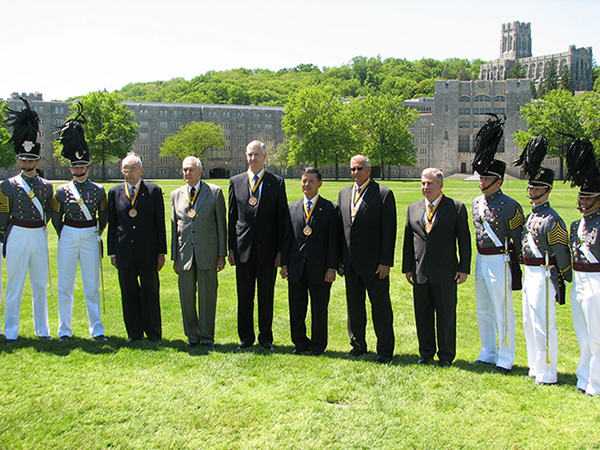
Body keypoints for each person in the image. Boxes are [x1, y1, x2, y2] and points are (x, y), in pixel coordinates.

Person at [515, 136, 572, 385]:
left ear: (548, 190)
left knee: (543, 324)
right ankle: (535, 366)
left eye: (538, 189)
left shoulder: (552, 218)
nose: (533, 192)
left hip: (545, 274)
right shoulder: (532, 215)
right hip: (530, 273)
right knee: (529, 322)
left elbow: (561, 251)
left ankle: (548, 372)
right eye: (531, 188)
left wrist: (563, 276)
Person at [470, 115, 525, 374]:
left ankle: (505, 356)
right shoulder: (476, 203)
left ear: (498, 181)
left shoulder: (511, 206)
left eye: (486, 180)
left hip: (500, 259)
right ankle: (487, 351)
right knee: (483, 309)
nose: (482, 183)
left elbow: (518, 239)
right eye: (481, 179)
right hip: (481, 258)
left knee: (502, 310)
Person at [50, 105, 108, 342]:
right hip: (68, 234)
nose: (79, 169)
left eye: (82, 166)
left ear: (88, 166)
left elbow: (103, 216)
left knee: (92, 285)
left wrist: (96, 231)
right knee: (65, 283)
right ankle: (64, 329)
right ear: (70, 168)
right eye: (75, 166)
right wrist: (65, 232)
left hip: (90, 235)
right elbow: (56, 216)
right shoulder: (62, 191)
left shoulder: (98, 190)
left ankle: (97, 329)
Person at [402, 168, 471, 367]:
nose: (425, 187)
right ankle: (425, 353)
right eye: (423, 183)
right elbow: (408, 241)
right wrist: (408, 267)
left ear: (440, 185)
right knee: (422, 314)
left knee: (446, 315)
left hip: (446, 272)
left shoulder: (455, 208)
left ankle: (446, 355)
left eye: (429, 183)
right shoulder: (413, 208)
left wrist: (463, 268)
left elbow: (464, 241)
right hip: (420, 272)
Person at [0, 98, 54, 342]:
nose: (27, 163)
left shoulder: (46, 186)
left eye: (31, 160)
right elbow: (3, 214)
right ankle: (10, 330)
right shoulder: (8, 186)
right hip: (17, 233)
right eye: (23, 160)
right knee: (15, 284)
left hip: (38, 234)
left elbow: (50, 212)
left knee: (40, 284)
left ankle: (42, 330)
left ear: (37, 161)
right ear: (19, 161)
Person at [228, 140, 288, 350]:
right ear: (246, 156)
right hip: (243, 249)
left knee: (266, 296)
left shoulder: (276, 182)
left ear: (264, 157)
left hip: (268, 251)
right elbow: (232, 217)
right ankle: (245, 337)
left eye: (257, 155)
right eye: (250, 155)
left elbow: (282, 219)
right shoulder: (235, 181)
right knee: (244, 296)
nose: (253, 158)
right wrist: (231, 249)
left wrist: (281, 251)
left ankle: (265, 338)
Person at [338, 155, 396, 364]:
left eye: (360, 168)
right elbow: (340, 229)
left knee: (380, 308)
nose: (356, 172)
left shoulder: (383, 194)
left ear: (369, 170)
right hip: (351, 263)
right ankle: (358, 345)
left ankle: (385, 350)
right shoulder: (344, 194)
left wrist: (385, 262)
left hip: (375, 264)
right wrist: (339, 260)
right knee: (354, 307)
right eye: (352, 169)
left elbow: (389, 231)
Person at [108, 152, 167, 343]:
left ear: (141, 170)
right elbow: (112, 223)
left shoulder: (153, 191)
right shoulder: (115, 192)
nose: (128, 173)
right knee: (128, 293)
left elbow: (160, 224)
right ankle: (134, 333)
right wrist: (112, 252)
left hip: (147, 252)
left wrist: (161, 252)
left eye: (132, 170)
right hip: (124, 252)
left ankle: (153, 334)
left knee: (150, 293)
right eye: (125, 169)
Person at [280, 167, 340, 356]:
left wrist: (331, 267)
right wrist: (284, 264)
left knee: (319, 309)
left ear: (320, 183)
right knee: (296, 308)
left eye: (311, 181)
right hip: (296, 268)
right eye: (304, 181)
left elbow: (333, 241)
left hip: (320, 268)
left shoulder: (330, 208)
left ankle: (318, 345)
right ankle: (299, 343)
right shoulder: (292, 208)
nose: (306, 185)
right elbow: (287, 239)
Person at [171, 156, 226, 350]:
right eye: (185, 170)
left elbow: (221, 225)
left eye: (191, 170)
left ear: (201, 172)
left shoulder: (214, 192)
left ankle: (207, 337)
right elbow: (174, 228)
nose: (187, 173)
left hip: (208, 253)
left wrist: (222, 254)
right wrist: (174, 257)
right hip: (185, 254)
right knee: (186, 297)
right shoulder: (176, 195)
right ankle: (192, 336)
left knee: (207, 297)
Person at [565, 137, 600, 395]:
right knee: (582, 331)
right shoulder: (577, 225)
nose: (583, 202)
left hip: (597, 280)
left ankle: (596, 384)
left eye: (588, 198)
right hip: (579, 279)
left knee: (597, 334)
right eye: (581, 197)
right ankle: (584, 376)